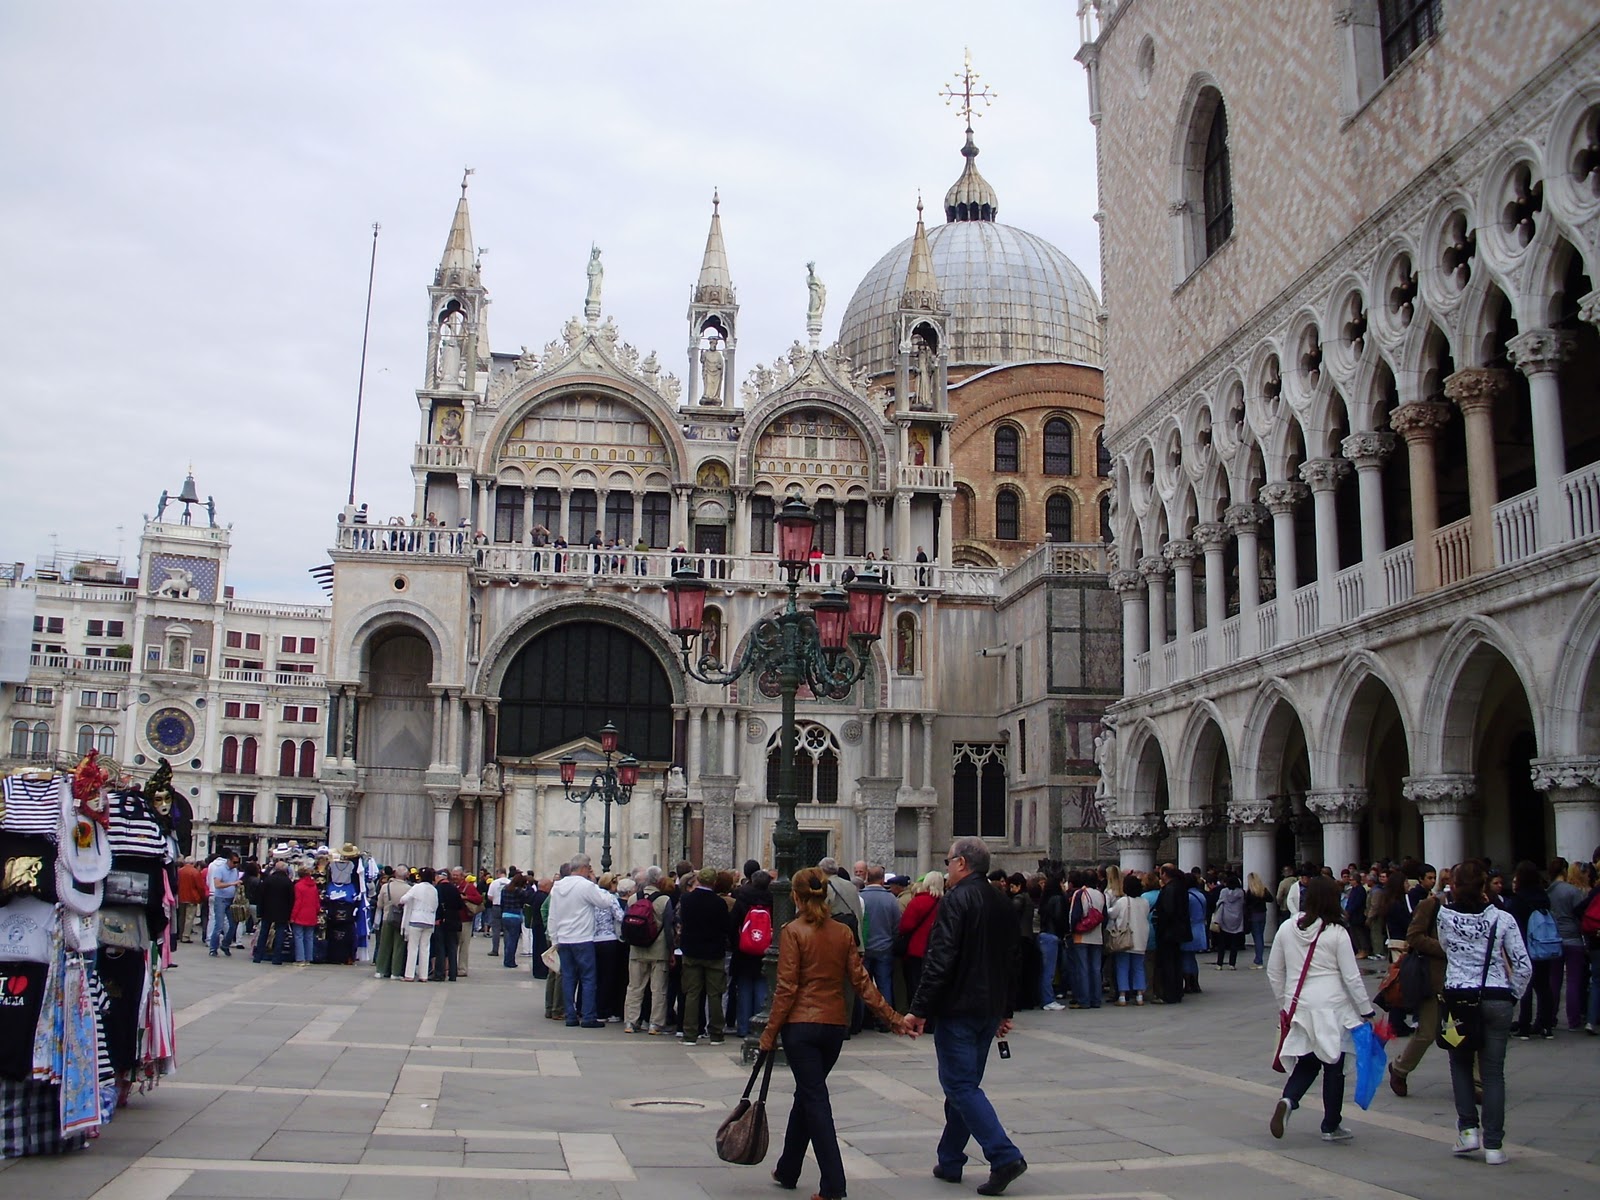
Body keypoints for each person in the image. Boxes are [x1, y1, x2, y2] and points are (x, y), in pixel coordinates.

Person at [761, 867, 912, 1200]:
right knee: (808, 1094)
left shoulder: (793, 932)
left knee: (815, 1100)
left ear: (796, 896)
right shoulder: (843, 932)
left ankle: (833, 1185)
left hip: (800, 1027)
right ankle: (788, 1168)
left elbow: (786, 989)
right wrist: (892, 1018)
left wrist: (769, 1033)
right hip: (833, 1027)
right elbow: (862, 982)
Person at [904, 837, 1027, 1197]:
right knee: (964, 1084)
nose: (945, 869)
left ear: (961, 863)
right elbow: (1013, 960)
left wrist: (919, 1009)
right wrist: (1005, 1008)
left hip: (960, 1007)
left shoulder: (957, 900)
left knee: (960, 1086)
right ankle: (951, 1159)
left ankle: (1004, 1155)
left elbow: (940, 960)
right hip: (987, 1009)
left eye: (947, 862)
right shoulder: (1002, 902)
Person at [1266, 875, 1375, 1144]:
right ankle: (1331, 1124)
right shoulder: (1337, 932)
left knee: (1308, 1060)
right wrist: (1366, 1009)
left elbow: (1274, 971)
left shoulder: (1287, 927)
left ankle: (1288, 1099)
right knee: (1334, 1065)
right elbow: (1351, 976)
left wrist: (1286, 1002)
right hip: (1333, 1005)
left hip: (1301, 1005)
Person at [1436, 859, 1531, 1164]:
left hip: (1457, 999)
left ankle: (1467, 1131)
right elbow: (1524, 965)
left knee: (1460, 1064)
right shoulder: (1503, 919)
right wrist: (1512, 994)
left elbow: (1446, 948)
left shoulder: (1445, 917)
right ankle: (1494, 1146)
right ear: (1485, 886)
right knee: (1493, 1073)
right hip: (1496, 997)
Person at [548, 853, 617, 1027]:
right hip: (583, 937)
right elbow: (605, 902)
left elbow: (552, 914)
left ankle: (570, 1015)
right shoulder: (586, 886)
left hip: (564, 937)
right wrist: (594, 883)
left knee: (568, 977)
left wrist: (554, 937)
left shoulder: (557, 886)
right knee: (588, 978)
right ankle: (588, 1016)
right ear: (584, 868)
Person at [678, 866, 734, 1045]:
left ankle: (690, 1034)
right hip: (713, 952)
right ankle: (716, 1033)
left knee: (692, 993)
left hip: (692, 951)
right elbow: (726, 927)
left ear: (699, 880)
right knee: (715, 993)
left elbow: (683, 921)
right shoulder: (719, 903)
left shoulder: (687, 899)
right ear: (714, 883)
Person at [1506, 861, 1555, 1039]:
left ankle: (1524, 1025)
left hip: (1524, 945)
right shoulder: (1543, 896)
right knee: (1543, 987)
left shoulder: (1519, 899)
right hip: (1543, 944)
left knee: (1525, 986)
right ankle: (1546, 1025)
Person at [625, 866, 673, 1034]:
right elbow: (669, 928)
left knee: (634, 987)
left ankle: (631, 1022)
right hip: (658, 950)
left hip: (636, 950)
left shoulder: (632, 899)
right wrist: (671, 949)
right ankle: (655, 1023)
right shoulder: (665, 900)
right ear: (658, 880)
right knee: (658, 989)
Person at [1547, 859, 1590, 1031]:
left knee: (1554, 980)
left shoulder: (1548, 891)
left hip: (1554, 939)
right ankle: (1573, 1020)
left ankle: (1551, 1016)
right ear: (1564, 870)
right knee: (1573, 981)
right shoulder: (1573, 891)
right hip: (1573, 938)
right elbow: (1581, 914)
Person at [730, 870, 774, 1037]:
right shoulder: (773, 899)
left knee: (744, 989)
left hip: (744, 952)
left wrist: (737, 944)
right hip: (765, 950)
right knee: (762, 989)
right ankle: (759, 1026)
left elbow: (733, 924)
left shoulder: (742, 898)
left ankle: (743, 1027)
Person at [859, 864, 901, 1021]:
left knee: (863, 985)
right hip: (885, 947)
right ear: (883, 880)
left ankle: (863, 1019)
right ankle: (885, 1020)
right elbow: (897, 925)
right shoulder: (891, 899)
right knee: (884, 984)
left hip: (865, 947)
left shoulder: (861, 897)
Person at [898, 871, 942, 1008]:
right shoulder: (946, 903)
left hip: (916, 949)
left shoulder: (918, 901)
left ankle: (917, 1013)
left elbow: (905, 926)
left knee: (915, 984)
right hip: (938, 950)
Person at [1107, 870, 1150, 1005]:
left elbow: (1112, 914)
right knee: (1138, 967)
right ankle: (1139, 996)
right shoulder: (1145, 902)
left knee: (1122, 966)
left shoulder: (1122, 901)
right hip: (1141, 938)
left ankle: (1122, 996)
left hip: (1125, 938)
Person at [399, 868, 440, 982]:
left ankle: (409, 974)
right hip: (429, 921)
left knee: (412, 948)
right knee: (425, 948)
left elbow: (403, 899)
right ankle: (423, 975)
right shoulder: (433, 889)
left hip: (416, 919)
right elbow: (435, 905)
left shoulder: (416, 887)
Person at [373, 865, 411, 979]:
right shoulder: (409, 888)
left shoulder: (386, 886)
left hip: (386, 917)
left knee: (384, 944)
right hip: (401, 919)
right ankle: (395, 972)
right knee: (399, 946)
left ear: (395, 874)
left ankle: (380, 970)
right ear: (406, 875)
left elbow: (379, 904)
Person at [253, 859, 293, 965]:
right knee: (280, 934)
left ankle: (258, 956)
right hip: (282, 911)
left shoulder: (268, 880)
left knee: (263, 933)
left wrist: (259, 912)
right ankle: (277, 957)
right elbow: (291, 899)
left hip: (267, 910)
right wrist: (290, 914)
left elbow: (260, 896)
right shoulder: (288, 882)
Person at [206, 852, 243, 957]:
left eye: (237, 863)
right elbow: (217, 884)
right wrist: (232, 884)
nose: (236, 865)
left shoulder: (235, 870)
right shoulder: (220, 869)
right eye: (234, 862)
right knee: (219, 925)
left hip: (231, 899)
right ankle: (213, 948)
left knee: (233, 924)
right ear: (229, 861)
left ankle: (225, 944)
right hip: (220, 898)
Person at [1214, 874, 1246, 969]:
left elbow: (1219, 903)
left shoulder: (1223, 892)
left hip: (1224, 918)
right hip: (1237, 919)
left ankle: (1219, 964)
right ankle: (1232, 964)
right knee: (1234, 944)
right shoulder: (1241, 893)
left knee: (1222, 944)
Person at [290, 866, 321, 963]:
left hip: (300, 913)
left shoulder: (298, 886)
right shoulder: (314, 886)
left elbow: (297, 902)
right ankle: (308, 958)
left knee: (299, 936)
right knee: (309, 937)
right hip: (311, 914)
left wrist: (292, 916)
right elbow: (317, 901)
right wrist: (316, 911)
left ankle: (300, 958)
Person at [499, 873, 528, 969]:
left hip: (505, 915)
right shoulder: (520, 891)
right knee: (513, 940)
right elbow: (525, 901)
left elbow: (501, 903)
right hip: (515, 916)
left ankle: (507, 958)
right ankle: (509, 960)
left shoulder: (505, 889)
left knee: (507, 939)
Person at [1245, 872, 1270, 967]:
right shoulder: (1263, 890)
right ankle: (1259, 958)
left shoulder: (1250, 892)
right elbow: (1270, 899)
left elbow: (1246, 905)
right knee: (1260, 936)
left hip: (1254, 915)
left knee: (1257, 937)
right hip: (1262, 914)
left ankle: (1258, 960)